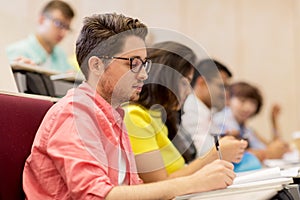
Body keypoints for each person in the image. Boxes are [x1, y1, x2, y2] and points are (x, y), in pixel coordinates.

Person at [23, 13, 236, 199]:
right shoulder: (74, 113)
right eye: (133, 63)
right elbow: (96, 194)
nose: (143, 74)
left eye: (144, 64)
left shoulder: (114, 114)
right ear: (96, 65)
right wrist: (193, 182)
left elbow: (132, 188)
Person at [123, 42, 241, 183]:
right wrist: (215, 155)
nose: (188, 92)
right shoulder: (135, 116)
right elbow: (159, 184)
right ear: (166, 79)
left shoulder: (157, 117)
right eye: (185, 83)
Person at [213, 81, 290, 161]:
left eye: (252, 103)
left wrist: (274, 121)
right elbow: (235, 154)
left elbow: (270, 147)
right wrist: (268, 153)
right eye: (242, 101)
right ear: (228, 99)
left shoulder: (246, 129)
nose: (247, 107)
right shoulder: (222, 122)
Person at [6, 0, 75, 73]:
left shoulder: (61, 56)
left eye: (67, 27)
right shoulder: (16, 52)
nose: (63, 33)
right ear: (41, 20)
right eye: (59, 24)